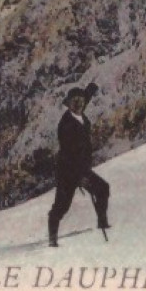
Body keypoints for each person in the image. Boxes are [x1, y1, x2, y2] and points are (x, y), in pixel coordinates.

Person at [47, 84, 111, 247]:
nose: (79, 104)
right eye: (75, 101)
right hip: (68, 173)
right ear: (68, 104)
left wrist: (91, 89)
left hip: (82, 169)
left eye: (81, 101)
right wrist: (80, 178)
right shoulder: (66, 126)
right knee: (61, 207)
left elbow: (84, 99)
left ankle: (102, 223)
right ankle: (52, 238)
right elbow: (69, 155)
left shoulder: (78, 113)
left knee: (103, 188)